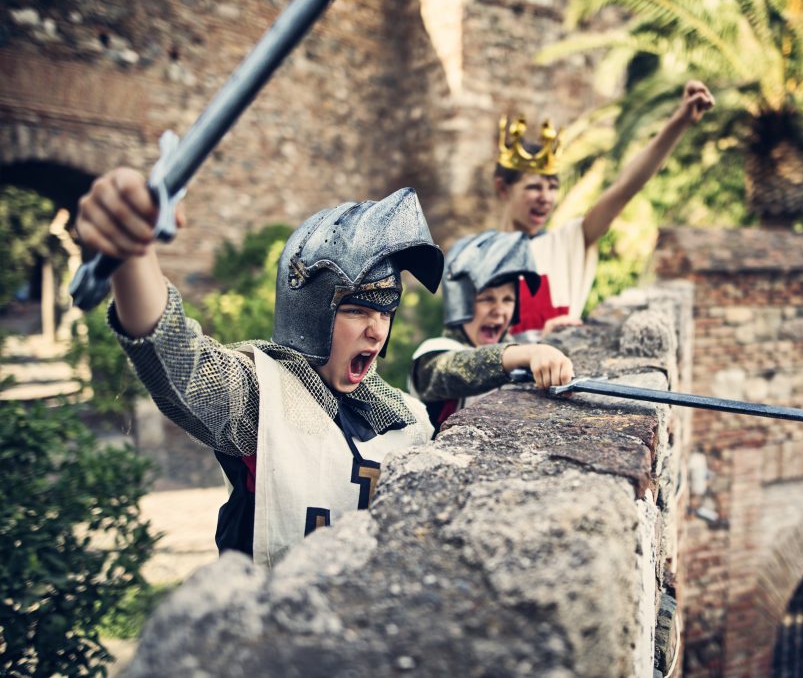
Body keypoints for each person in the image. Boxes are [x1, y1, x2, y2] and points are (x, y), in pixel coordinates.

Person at [74, 167, 444, 567]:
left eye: (385, 313)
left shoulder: (411, 419)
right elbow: (183, 363)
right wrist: (133, 255)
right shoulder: (262, 397)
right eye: (356, 311)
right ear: (310, 313)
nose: (376, 331)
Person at [494, 80, 715, 341]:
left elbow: (624, 188)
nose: (546, 198)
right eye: (534, 187)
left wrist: (680, 121)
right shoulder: (481, 254)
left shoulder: (568, 241)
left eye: (553, 187)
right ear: (504, 189)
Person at [409, 230, 574, 433]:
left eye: (508, 300)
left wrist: (546, 343)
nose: (500, 310)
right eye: (486, 299)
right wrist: (531, 352)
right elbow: (466, 367)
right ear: (461, 303)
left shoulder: (514, 348)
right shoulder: (431, 356)